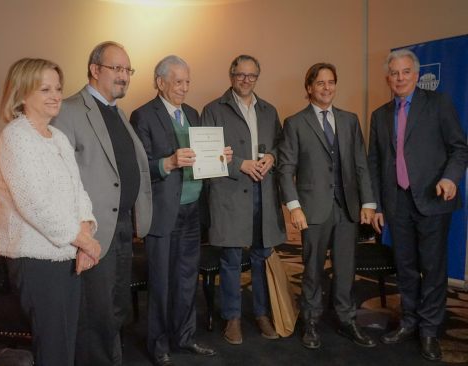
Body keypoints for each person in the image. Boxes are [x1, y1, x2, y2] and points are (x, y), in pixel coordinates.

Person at [0, 58, 101, 366]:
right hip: (35, 258)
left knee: (68, 340)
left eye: (58, 88)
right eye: (44, 89)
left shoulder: (59, 137)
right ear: (22, 94)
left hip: (67, 251)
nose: (55, 95)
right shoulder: (16, 137)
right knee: (53, 345)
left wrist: (85, 235)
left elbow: (79, 192)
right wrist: (85, 242)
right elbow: (35, 206)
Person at [51, 41, 152, 366]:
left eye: (128, 70)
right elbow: (61, 180)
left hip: (122, 226)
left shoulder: (116, 112)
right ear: (95, 70)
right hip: (92, 230)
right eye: (117, 68)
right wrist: (79, 237)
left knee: (116, 308)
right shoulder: (68, 109)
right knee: (95, 314)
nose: (124, 76)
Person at [368, 49, 468, 361]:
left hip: (433, 201)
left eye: (405, 72)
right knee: (406, 268)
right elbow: (374, 163)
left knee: (433, 268)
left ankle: (429, 330)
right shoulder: (379, 115)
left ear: (416, 74)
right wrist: (377, 205)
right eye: (394, 73)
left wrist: (451, 178)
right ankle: (409, 322)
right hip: (396, 204)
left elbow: (459, 149)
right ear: (388, 78)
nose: (400, 78)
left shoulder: (439, 104)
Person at [130, 55, 226, 366]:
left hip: (191, 210)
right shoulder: (143, 115)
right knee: (160, 282)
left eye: (187, 82)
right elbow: (140, 167)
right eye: (178, 82)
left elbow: (202, 158)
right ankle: (158, 344)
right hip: (163, 212)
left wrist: (219, 156)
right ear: (160, 83)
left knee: (187, 279)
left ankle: (184, 337)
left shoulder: (194, 114)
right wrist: (167, 163)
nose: (184, 88)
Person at [278, 63, 376, 349]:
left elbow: (361, 164)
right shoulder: (295, 122)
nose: (327, 88)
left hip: (347, 207)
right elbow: (285, 169)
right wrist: (294, 206)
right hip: (312, 208)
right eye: (320, 83)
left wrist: (368, 201)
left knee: (346, 267)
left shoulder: (350, 120)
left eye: (331, 82)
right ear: (309, 88)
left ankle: (347, 319)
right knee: (312, 268)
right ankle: (310, 319)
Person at [201, 55, 287, 345]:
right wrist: (240, 163)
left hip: (263, 192)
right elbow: (206, 154)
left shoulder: (268, 110)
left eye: (252, 76)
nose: (246, 80)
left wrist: (272, 157)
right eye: (241, 75)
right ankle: (232, 318)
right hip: (229, 193)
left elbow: (279, 144)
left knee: (262, 256)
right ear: (231, 75)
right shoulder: (213, 109)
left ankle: (262, 314)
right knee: (232, 258)